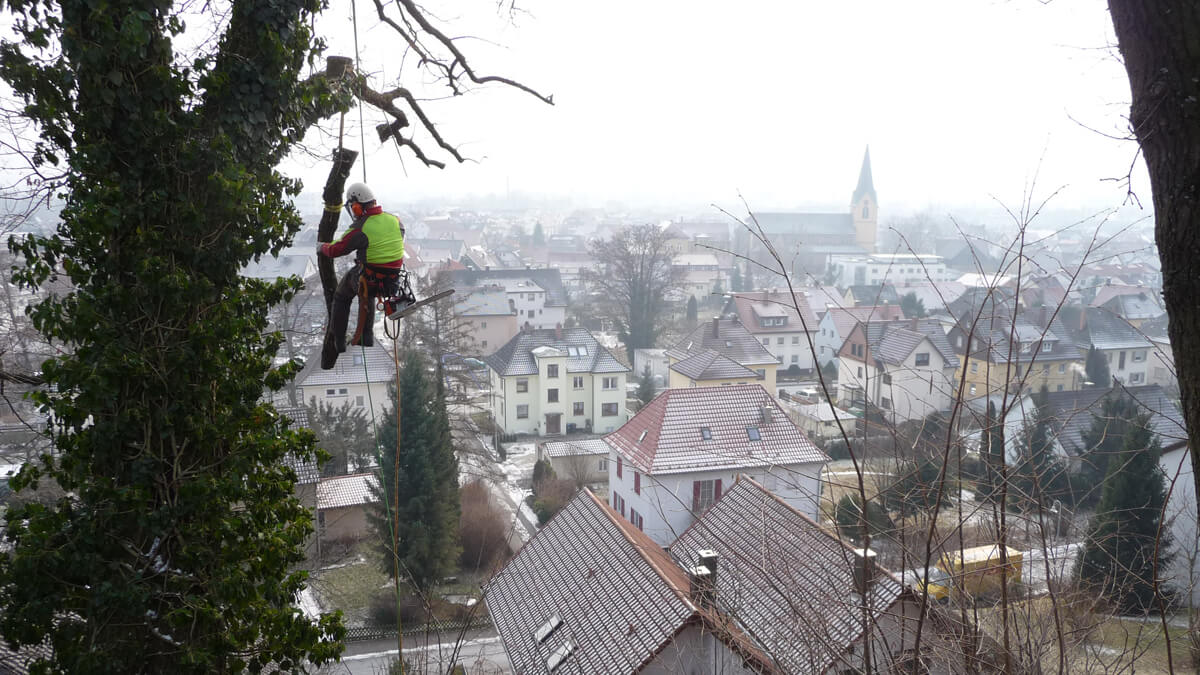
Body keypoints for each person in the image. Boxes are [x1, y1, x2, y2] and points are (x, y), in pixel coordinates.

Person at [317, 182, 411, 368]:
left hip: (368, 279)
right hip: (392, 281)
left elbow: (337, 249)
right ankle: (366, 336)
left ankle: (338, 340)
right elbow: (398, 237)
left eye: (353, 207)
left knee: (342, 296)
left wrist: (322, 247)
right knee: (365, 292)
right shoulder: (395, 220)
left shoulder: (360, 227)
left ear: (358, 205)